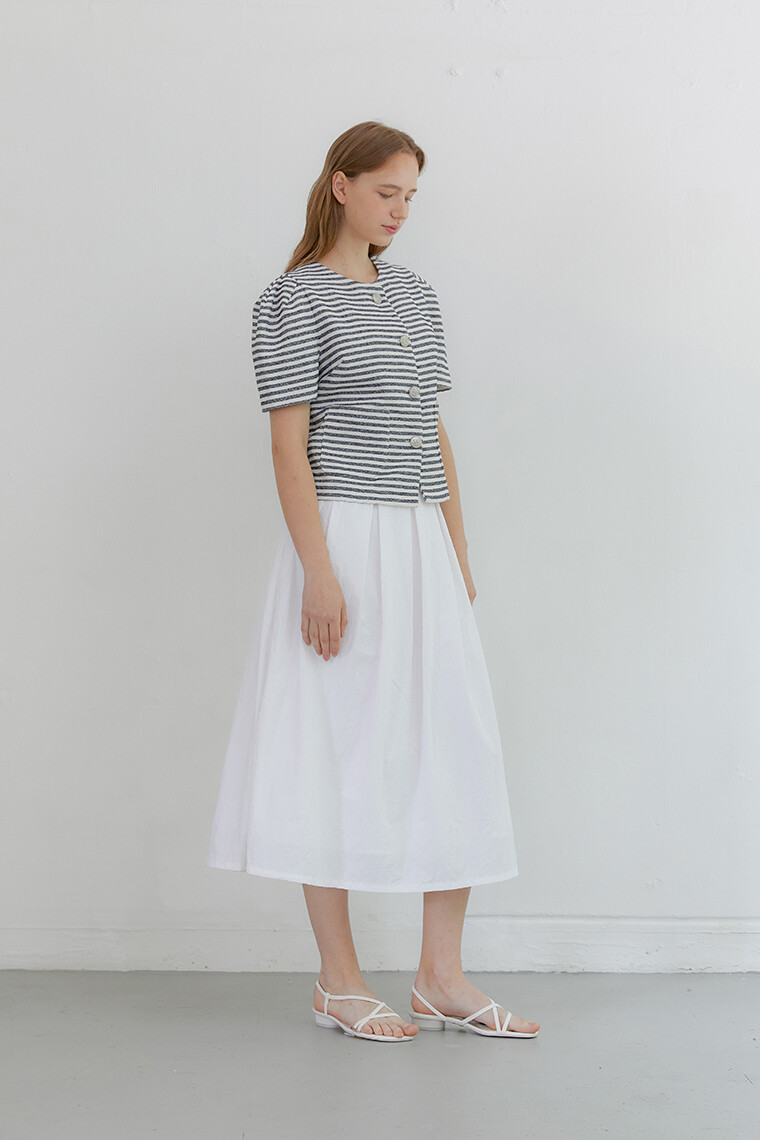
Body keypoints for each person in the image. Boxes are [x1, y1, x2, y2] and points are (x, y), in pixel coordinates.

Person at [207, 121, 540, 1042]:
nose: (400, 211)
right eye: (387, 192)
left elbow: (431, 431)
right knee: (332, 741)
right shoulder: (290, 300)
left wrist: (457, 552)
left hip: (420, 538)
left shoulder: (416, 296)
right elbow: (288, 448)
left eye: (411, 197)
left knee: (452, 738)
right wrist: (319, 573)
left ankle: (441, 977)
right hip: (343, 537)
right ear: (342, 186)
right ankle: (340, 980)